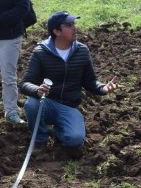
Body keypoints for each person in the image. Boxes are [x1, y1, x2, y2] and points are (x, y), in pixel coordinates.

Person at [18, 11, 117, 156]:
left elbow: (89, 81)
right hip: (47, 103)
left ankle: (58, 131)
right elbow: (24, 83)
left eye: (74, 24)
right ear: (57, 31)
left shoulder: (82, 51)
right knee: (32, 104)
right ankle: (40, 139)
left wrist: (103, 88)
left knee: (75, 140)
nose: (74, 28)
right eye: (69, 25)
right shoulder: (40, 52)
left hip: (69, 106)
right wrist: (37, 90)